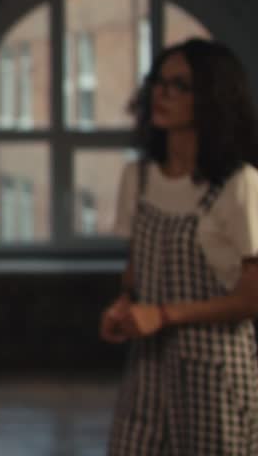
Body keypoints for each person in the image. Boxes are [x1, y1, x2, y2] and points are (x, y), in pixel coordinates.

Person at [103, 38, 258, 454]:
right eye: (158, 81)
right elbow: (136, 271)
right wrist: (125, 303)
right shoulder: (138, 180)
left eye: (180, 85)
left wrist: (166, 314)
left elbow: (252, 297)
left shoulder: (238, 184)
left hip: (215, 374)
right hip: (148, 370)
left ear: (213, 97)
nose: (162, 93)